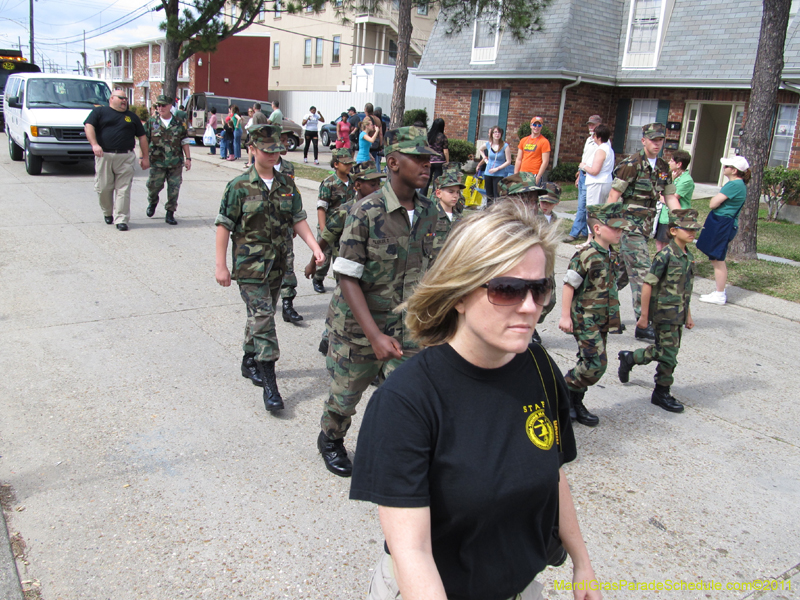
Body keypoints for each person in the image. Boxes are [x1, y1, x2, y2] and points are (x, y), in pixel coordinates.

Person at [350, 200, 601, 600]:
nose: (530, 307)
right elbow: (411, 550)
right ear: (459, 294)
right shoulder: (407, 402)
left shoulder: (538, 365)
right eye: (507, 289)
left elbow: (553, 474)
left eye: (540, 288)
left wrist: (582, 563)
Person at [317, 126, 439, 478]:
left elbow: (438, 269)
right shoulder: (366, 211)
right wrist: (373, 337)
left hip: (408, 326)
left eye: (427, 158)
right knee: (345, 397)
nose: (425, 164)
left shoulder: (431, 214)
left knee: (411, 396)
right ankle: (331, 439)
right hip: (359, 327)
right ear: (393, 162)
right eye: (417, 158)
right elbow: (347, 276)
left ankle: (400, 451)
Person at [214, 124, 324, 413]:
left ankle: (248, 359)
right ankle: (271, 384)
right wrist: (220, 265)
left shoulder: (287, 185)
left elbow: (298, 218)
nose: (274, 155)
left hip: (277, 265)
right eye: (267, 150)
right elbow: (224, 225)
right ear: (251, 149)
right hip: (249, 267)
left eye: (277, 149)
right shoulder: (238, 186)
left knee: (258, 316)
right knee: (264, 318)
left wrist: (314, 246)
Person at [618, 209, 702, 413]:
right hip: (663, 314)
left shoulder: (687, 257)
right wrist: (644, 316)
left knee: (666, 353)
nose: (692, 233)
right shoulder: (665, 255)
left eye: (695, 229)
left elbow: (686, 290)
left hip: (678, 314)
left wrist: (688, 315)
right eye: (688, 229)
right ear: (673, 230)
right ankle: (661, 392)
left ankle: (632, 358)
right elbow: (647, 285)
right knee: (669, 355)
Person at [606, 123, 681, 342]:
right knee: (642, 273)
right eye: (653, 140)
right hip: (629, 227)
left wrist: (683, 221)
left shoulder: (663, 167)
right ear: (644, 140)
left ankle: (602, 310)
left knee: (618, 275)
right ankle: (643, 323)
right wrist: (608, 228)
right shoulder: (631, 164)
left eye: (660, 140)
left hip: (645, 227)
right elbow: (613, 195)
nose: (657, 144)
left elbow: (670, 197)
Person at [305, 160, 386, 356]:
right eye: (372, 184)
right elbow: (326, 237)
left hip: (373, 270)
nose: (377, 188)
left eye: (379, 184)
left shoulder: (383, 209)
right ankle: (329, 338)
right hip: (349, 267)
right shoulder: (346, 210)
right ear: (357, 185)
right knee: (344, 305)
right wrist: (312, 264)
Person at [559, 203, 629, 427]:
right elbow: (569, 285)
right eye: (615, 228)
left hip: (603, 319)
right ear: (597, 228)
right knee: (596, 363)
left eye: (621, 229)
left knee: (588, 360)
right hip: (584, 317)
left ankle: (574, 401)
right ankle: (563, 387)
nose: (619, 232)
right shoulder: (585, 255)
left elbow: (616, 282)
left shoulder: (612, 255)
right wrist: (565, 317)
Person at [84, 87, 150, 231]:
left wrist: (145, 157)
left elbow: (142, 137)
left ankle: (121, 219)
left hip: (125, 157)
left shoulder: (132, 117)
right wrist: (94, 145)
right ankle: (107, 212)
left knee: (123, 189)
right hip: (104, 155)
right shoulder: (100, 112)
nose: (124, 101)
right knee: (104, 188)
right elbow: (88, 126)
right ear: (111, 99)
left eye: (125, 99)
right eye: (121, 98)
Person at [695, 156, 751, 306]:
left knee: (718, 259)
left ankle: (720, 294)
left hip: (722, 224)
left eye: (726, 166)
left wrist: (714, 200)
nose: (724, 168)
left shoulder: (734, 185)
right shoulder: (738, 184)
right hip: (724, 223)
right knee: (715, 257)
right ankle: (719, 291)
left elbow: (713, 203)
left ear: (734, 170)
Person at [312, 148, 357, 294]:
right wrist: (324, 229)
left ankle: (341, 283)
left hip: (345, 228)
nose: (349, 166)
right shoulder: (328, 183)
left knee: (342, 257)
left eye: (350, 163)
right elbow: (321, 208)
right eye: (345, 163)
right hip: (330, 226)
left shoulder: (354, 182)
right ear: (336, 164)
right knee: (324, 257)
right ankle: (318, 278)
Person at [144, 94, 192, 226]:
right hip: (157, 162)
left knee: (174, 188)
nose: (160, 108)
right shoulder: (151, 122)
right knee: (153, 186)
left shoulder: (179, 123)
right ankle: (153, 202)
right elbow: (144, 141)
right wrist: (143, 157)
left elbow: (184, 141)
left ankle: (170, 212)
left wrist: (188, 158)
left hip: (175, 162)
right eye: (158, 105)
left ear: (170, 106)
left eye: (163, 105)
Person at [276, 130, 305, 325]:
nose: (286, 144)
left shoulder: (288, 167)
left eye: (287, 141)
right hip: (262, 229)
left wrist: (295, 221)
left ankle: (287, 304)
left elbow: (293, 195)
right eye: (283, 140)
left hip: (285, 226)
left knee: (288, 264)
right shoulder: (259, 166)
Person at [565, 115, 602, 243]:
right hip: (583, 174)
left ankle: (574, 233)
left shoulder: (602, 143)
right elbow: (584, 158)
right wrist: (579, 175)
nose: (591, 127)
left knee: (583, 207)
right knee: (582, 205)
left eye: (593, 125)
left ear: (599, 125)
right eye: (589, 125)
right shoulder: (588, 140)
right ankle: (585, 231)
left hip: (591, 175)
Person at [534, 182, 562, 344]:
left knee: (550, 300)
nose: (545, 206)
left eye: (550, 203)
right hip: (535, 263)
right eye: (543, 202)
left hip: (548, 264)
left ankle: (533, 323)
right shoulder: (533, 215)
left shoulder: (555, 219)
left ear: (557, 203)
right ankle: (530, 328)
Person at [578, 124, 615, 247]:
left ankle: (591, 239)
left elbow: (595, 170)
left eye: (594, 135)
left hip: (597, 183)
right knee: (601, 211)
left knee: (593, 211)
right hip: (606, 182)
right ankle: (599, 237)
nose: (593, 137)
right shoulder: (609, 148)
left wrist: (583, 166)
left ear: (598, 136)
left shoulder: (601, 150)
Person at [656, 149, 695, 252]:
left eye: (671, 161)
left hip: (676, 217)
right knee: (660, 243)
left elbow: (669, 198)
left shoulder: (686, 180)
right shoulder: (671, 176)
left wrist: (661, 193)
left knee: (671, 245)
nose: (669, 163)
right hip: (664, 216)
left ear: (679, 164)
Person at [431, 166, 465, 257]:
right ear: (438, 193)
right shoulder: (430, 216)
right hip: (434, 265)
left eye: (457, 192)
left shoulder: (460, 218)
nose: (455, 196)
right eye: (451, 192)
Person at [478, 125, 513, 205]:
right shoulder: (488, 144)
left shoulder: (505, 146)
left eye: (499, 132)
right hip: (488, 173)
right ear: (492, 134)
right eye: (495, 132)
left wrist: (497, 168)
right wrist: (485, 159)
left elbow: (508, 161)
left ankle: (496, 212)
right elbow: (480, 149)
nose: (497, 134)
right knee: (489, 196)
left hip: (499, 174)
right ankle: (489, 212)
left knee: (497, 196)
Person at [515, 116, 551, 185]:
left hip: (534, 174)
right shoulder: (523, 140)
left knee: (532, 195)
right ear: (531, 125)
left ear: (541, 127)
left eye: (539, 125)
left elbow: (545, 161)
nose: (536, 127)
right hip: (522, 174)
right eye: (534, 125)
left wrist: (538, 177)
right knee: (520, 195)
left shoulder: (544, 141)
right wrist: (516, 175)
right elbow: (518, 159)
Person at [423, 117, 449, 197]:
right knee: (436, 182)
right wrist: (447, 161)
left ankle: (422, 197)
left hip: (429, 160)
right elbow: (445, 151)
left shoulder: (428, 136)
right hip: (439, 161)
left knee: (426, 181)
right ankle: (434, 198)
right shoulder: (443, 137)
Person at [364, 102, 384, 168]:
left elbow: (364, 132)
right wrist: (381, 144)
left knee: (368, 162)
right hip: (376, 143)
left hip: (368, 142)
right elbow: (380, 134)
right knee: (376, 162)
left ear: (366, 110)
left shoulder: (366, 119)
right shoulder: (378, 119)